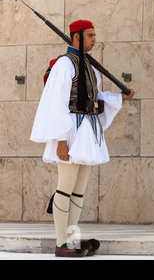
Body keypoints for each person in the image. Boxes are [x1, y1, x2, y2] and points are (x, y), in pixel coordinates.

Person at [30, 20, 135, 257]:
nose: (94, 39)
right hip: (69, 132)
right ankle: (61, 244)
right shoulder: (64, 65)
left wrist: (120, 97)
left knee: (78, 191)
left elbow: (95, 98)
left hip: (87, 131)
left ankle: (71, 240)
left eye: (95, 35)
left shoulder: (89, 67)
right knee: (65, 189)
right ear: (76, 36)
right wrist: (61, 140)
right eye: (90, 35)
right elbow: (57, 104)